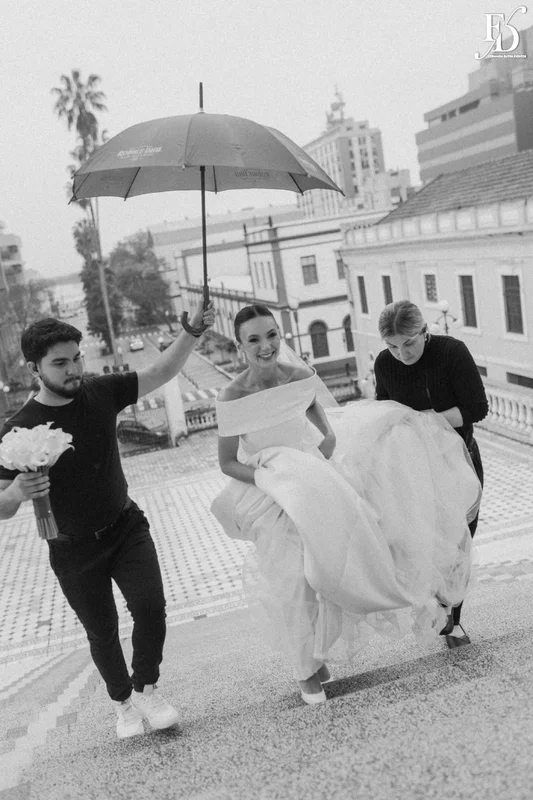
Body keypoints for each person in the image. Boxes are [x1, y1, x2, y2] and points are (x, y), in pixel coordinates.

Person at [211, 305, 481, 705]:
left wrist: (327, 440)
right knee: (292, 576)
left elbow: (316, 411)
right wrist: (271, 478)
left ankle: (326, 650)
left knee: (335, 565)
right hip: (268, 489)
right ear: (240, 345)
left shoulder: (299, 375)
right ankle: (306, 671)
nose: (265, 346)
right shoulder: (231, 397)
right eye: (254, 339)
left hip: (315, 481)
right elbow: (227, 462)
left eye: (271, 335)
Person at [0, 299, 215, 739]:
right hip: (72, 549)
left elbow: (159, 373)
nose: (74, 369)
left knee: (151, 608)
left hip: (125, 526)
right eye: (60, 363)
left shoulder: (100, 392)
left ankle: (148, 688)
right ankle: (123, 704)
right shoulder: (18, 430)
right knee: (102, 632)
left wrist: (191, 332)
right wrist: (17, 492)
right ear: (33, 369)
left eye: (77, 358)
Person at [374, 299, 488, 648]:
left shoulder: (451, 352)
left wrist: (425, 420)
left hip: (459, 461)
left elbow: (477, 408)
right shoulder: (384, 363)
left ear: (425, 332)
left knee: (458, 543)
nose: (402, 353)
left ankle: (453, 620)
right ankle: (437, 610)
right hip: (412, 468)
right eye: (392, 346)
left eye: (409, 343)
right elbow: (383, 409)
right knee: (423, 541)